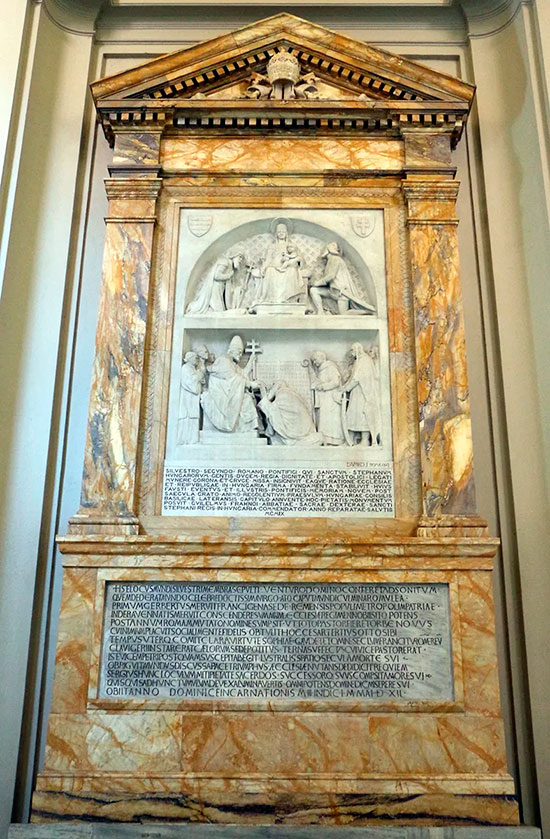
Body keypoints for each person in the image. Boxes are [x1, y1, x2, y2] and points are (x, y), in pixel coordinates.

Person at [200, 335, 260, 433]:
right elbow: (233, 378)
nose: (240, 355)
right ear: (231, 350)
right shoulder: (224, 361)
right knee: (246, 400)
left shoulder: (233, 364)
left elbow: (242, 374)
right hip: (220, 395)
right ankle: (246, 428)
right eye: (239, 352)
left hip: (228, 392)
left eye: (241, 352)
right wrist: (250, 384)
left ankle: (248, 428)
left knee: (248, 398)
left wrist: (250, 361)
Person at [309, 242, 375, 315]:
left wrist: (317, 283)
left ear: (329, 250)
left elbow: (331, 276)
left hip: (341, 292)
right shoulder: (330, 260)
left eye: (325, 249)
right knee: (313, 290)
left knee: (344, 314)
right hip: (332, 291)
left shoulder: (335, 259)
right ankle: (320, 312)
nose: (323, 251)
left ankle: (366, 312)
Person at [258, 380, 322, 446]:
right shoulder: (293, 396)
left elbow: (272, 413)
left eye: (272, 386)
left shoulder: (283, 394)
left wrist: (263, 392)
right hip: (306, 431)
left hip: (296, 433)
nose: (271, 389)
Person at [255, 222, 304, 305]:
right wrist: (263, 267)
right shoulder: (272, 246)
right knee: (269, 270)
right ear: (276, 234)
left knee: (292, 270)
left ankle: (289, 298)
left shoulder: (291, 245)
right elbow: (268, 259)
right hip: (274, 266)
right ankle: (269, 298)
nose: (281, 233)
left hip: (288, 267)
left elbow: (299, 257)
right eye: (279, 232)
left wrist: (295, 261)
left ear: (286, 233)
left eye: (283, 232)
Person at [344, 342, 382, 446]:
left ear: (358, 349)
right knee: (353, 414)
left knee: (361, 415)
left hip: (362, 393)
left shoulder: (364, 360)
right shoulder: (359, 361)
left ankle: (365, 440)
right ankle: (351, 439)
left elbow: (357, 378)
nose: (352, 352)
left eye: (353, 350)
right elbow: (353, 377)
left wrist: (346, 388)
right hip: (357, 392)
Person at [186, 247, 245, 314]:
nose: (240, 260)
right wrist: (228, 276)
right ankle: (192, 307)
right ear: (234, 255)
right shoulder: (225, 262)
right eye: (239, 257)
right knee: (218, 310)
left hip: (220, 289)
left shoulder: (230, 266)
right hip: (215, 289)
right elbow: (216, 275)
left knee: (219, 310)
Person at [310, 350, 345, 445]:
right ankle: (326, 440)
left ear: (322, 357)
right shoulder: (322, 369)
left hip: (331, 399)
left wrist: (323, 386)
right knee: (324, 419)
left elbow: (335, 382)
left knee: (332, 420)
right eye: (313, 361)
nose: (314, 362)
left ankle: (335, 440)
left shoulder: (330, 367)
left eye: (315, 359)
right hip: (324, 399)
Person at [177, 352, 203, 445]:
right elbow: (190, 384)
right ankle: (185, 440)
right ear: (190, 359)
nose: (197, 360)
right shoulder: (185, 368)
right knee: (187, 419)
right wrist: (198, 376)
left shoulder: (193, 369)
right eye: (195, 358)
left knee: (193, 419)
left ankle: (193, 441)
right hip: (187, 400)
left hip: (193, 400)